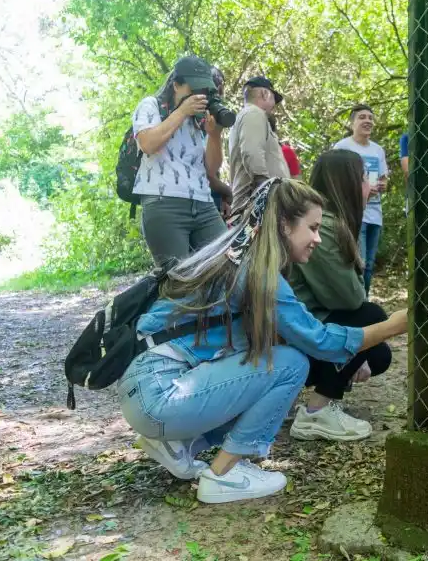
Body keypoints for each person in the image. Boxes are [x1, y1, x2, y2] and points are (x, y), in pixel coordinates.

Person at [118, 179, 409, 504]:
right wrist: (393, 326)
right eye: (312, 228)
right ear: (284, 224)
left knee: (267, 358)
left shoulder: (234, 256)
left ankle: (180, 443)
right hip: (160, 395)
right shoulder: (260, 273)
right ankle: (224, 475)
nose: (317, 238)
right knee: (290, 364)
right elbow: (322, 342)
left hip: (144, 388)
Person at [288, 150, 393, 441]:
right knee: (371, 316)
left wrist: (356, 360)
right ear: (346, 182)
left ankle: (322, 393)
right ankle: (315, 413)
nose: (368, 185)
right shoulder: (326, 227)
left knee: (379, 354)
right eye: (362, 178)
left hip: (302, 326)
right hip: (292, 334)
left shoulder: (332, 222)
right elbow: (351, 299)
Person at [132, 55, 228, 267]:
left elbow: (211, 169)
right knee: (178, 279)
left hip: (203, 202)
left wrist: (214, 135)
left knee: (225, 265)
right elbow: (147, 144)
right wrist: (182, 112)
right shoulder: (151, 105)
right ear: (176, 85)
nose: (199, 95)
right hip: (164, 203)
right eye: (194, 89)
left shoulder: (198, 119)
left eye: (204, 90)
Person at [334, 104, 389, 295]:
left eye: (370, 118)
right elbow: (336, 182)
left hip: (375, 213)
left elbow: (384, 179)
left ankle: (364, 301)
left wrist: (381, 186)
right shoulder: (342, 147)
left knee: (370, 264)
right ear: (352, 123)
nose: (367, 121)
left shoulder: (378, 150)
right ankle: (355, 301)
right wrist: (362, 190)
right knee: (360, 262)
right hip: (353, 213)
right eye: (362, 117)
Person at [227, 76, 290, 224]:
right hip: (255, 206)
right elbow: (251, 152)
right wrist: (265, 190)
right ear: (264, 94)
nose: (274, 106)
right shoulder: (254, 113)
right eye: (274, 99)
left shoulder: (248, 116)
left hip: (256, 204)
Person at [207, 66, 233, 218]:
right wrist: (228, 191)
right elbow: (206, 173)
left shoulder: (211, 117)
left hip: (211, 198)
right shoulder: (199, 119)